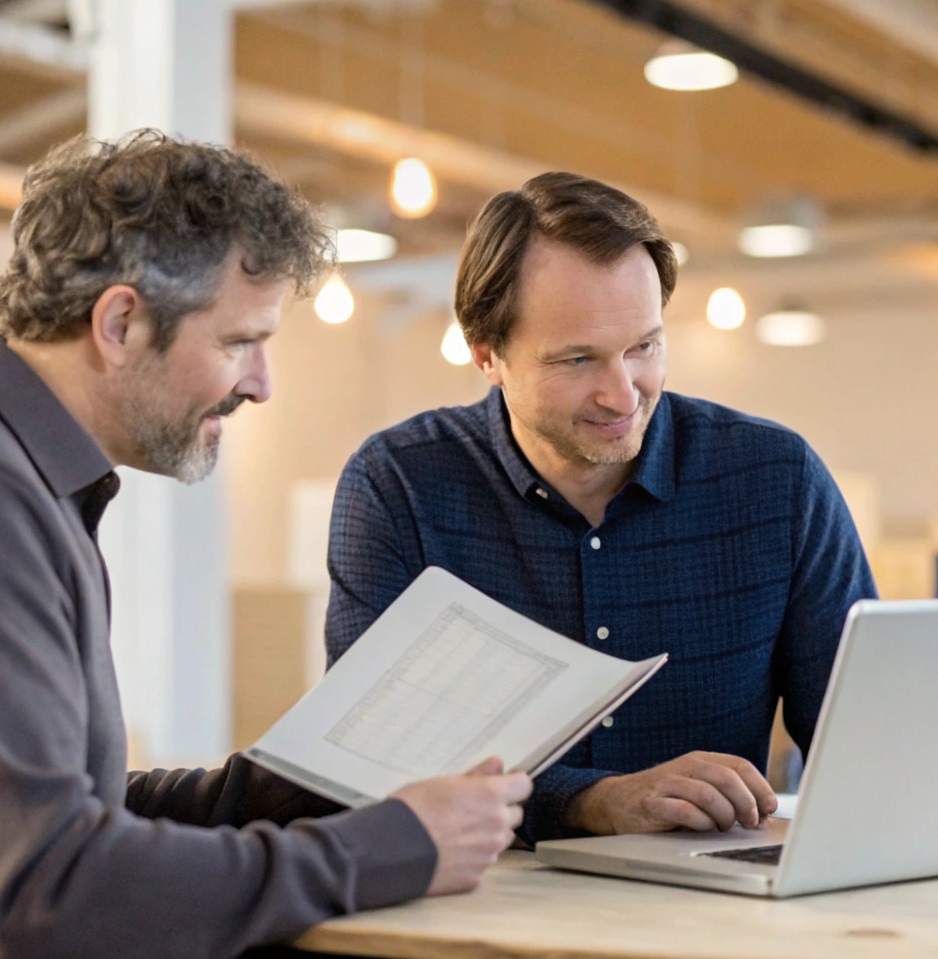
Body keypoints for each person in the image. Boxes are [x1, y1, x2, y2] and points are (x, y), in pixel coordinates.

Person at [0, 130, 529, 959]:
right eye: (238, 342)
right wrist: (389, 849)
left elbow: (81, 814)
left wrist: (300, 790)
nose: (261, 383)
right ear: (120, 322)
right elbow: (50, 893)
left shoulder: (1, 472)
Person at [327, 172, 874, 844]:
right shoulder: (399, 486)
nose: (623, 396)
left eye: (643, 347)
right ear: (486, 353)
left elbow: (865, 746)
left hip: (711, 914)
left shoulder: (778, 481)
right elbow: (373, 761)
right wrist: (590, 801)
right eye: (579, 360)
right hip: (487, 899)